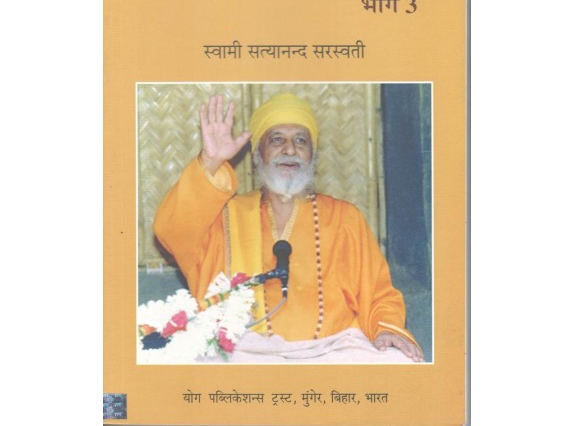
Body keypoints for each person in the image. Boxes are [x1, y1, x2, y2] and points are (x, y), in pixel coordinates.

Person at [154, 93, 423, 362]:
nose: (290, 150)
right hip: (245, 349)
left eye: (301, 141)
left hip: (334, 347)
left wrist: (386, 328)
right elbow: (172, 231)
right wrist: (211, 160)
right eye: (277, 140)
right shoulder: (226, 217)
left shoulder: (344, 218)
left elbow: (378, 294)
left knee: (398, 361)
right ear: (258, 154)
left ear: (312, 154)